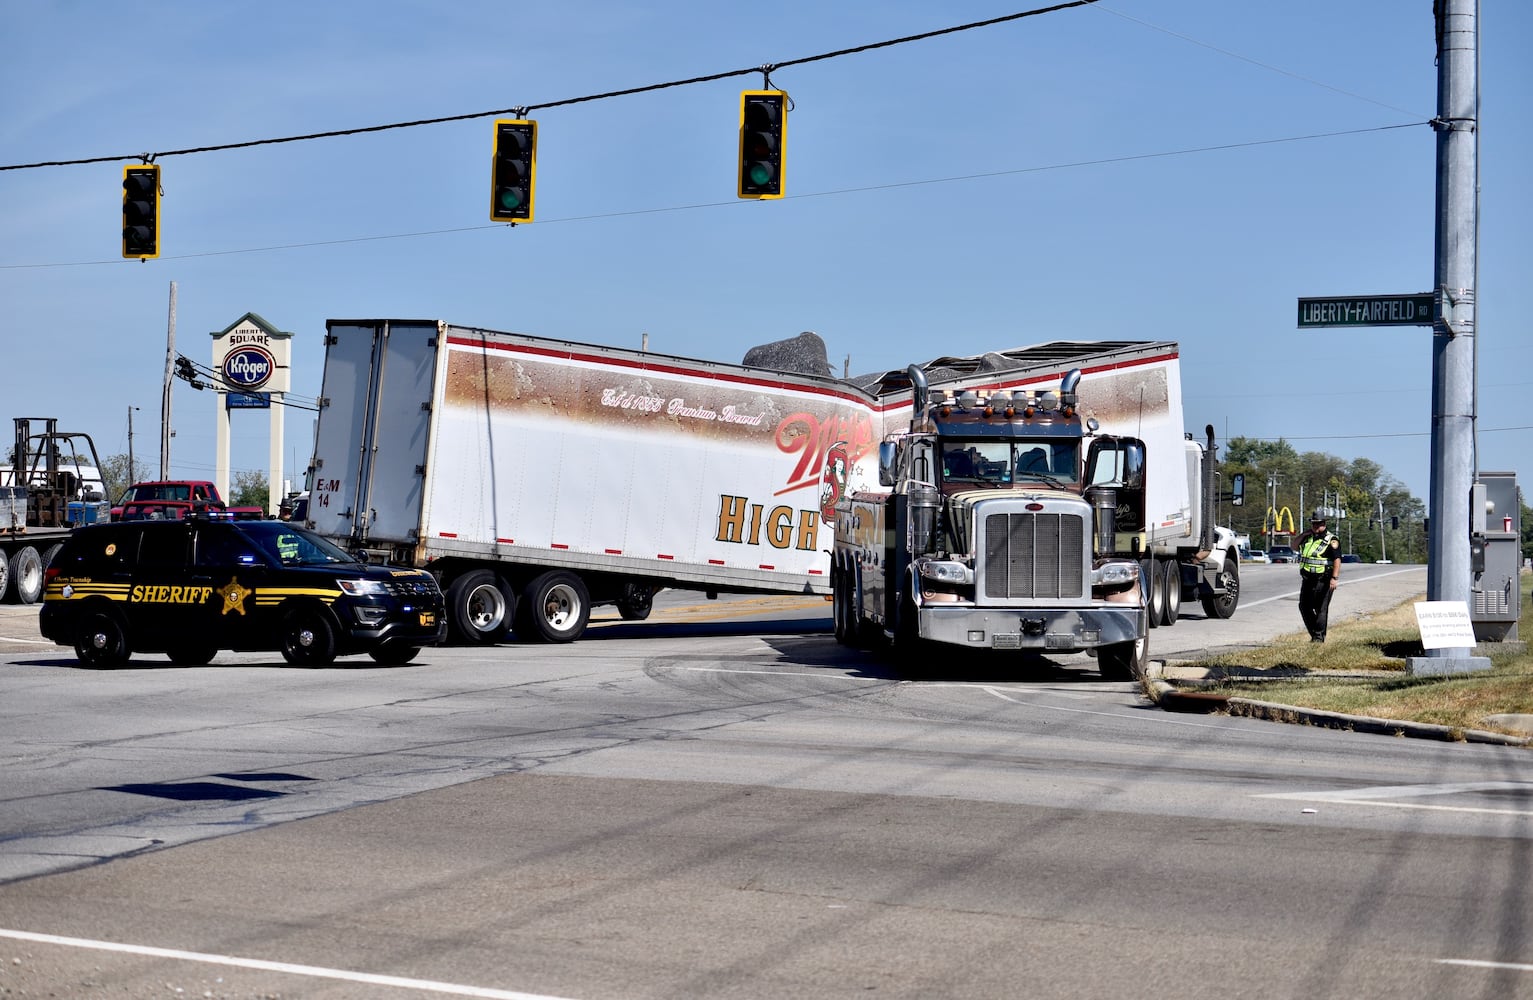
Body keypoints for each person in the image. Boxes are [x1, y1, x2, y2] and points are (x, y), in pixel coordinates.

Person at [1296, 509, 1342, 641]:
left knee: (1321, 608)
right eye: (1313, 523)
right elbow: (1294, 546)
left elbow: (1337, 559)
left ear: (1324, 524)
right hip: (1308, 579)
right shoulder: (1308, 538)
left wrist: (1334, 578)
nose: (1316, 526)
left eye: (1318, 523)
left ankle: (1318, 638)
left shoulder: (1331, 540)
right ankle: (1315, 635)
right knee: (1304, 607)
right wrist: (1303, 534)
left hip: (1323, 579)